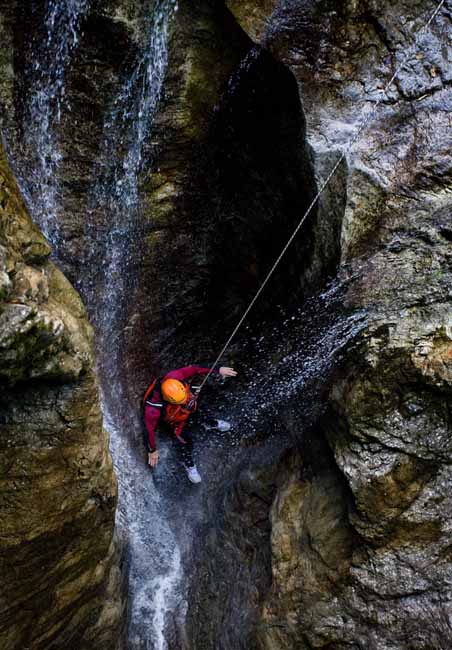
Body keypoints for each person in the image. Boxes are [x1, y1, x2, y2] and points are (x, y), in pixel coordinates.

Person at [144, 365, 237, 483]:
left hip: (188, 408)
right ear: (169, 400)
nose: (184, 402)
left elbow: (194, 369)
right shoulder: (153, 409)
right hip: (176, 421)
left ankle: (210, 423)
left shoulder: (174, 377)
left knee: (199, 408)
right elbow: (149, 429)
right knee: (184, 442)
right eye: (180, 401)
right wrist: (152, 450)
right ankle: (189, 464)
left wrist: (217, 370)